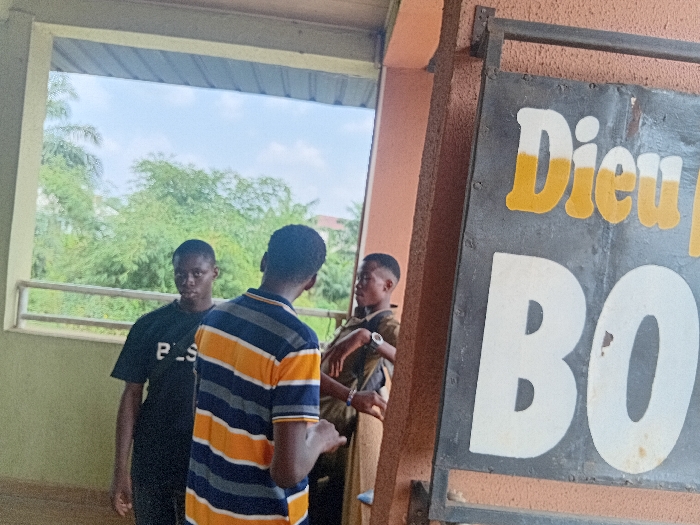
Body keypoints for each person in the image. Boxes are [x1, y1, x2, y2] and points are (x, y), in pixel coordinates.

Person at [185, 224, 346, 525]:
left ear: (264, 261)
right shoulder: (298, 342)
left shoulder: (214, 319)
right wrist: (320, 438)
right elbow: (287, 472)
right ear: (312, 281)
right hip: (261, 516)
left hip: (204, 506)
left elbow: (202, 410)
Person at [110, 239, 219, 525]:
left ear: (214, 273)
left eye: (197, 273)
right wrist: (120, 468)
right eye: (180, 273)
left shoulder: (226, 329)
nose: (188, 281)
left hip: (204, 459)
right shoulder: (149, 325)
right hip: (152, 455)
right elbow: (131, 396)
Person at [309, 253, 401, 525]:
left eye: (366, 278)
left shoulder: (383, 324)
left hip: (334, 426)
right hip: (316, 415)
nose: (358, 284)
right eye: (358, 277)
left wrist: (368, 338)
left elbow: (412, 360)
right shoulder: (359, 318)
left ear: (387, 285)